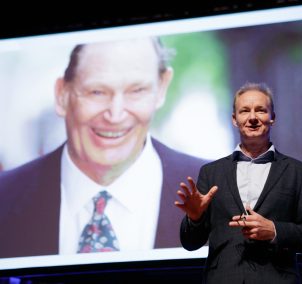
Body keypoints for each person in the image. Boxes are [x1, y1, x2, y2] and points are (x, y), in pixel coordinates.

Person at [0, 37, 206, 258]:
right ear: (62, 95)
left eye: (136, 91)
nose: (115, 115)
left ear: (162, 87)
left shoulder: (224, 194)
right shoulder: (5, 199)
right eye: (97, 92)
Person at [175, 82, 302, 284]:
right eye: (245, 111)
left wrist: (274, 230)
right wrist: (194, 219)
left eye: (261, 110)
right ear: (234, 119)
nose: (253, 117)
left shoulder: (299, 173)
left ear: (272, 117)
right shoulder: (211, 173)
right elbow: (191, 244)